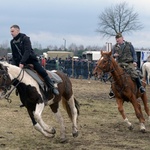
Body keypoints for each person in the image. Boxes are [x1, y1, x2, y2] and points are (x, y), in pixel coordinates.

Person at [10, 25, 59, 98]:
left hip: (30, 60)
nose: (11, 33)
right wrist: (12, 65)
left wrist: (22, 62)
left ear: (18, 31)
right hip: (19, 62)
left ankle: (52, 87)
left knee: (42, 71)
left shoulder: (25, 39)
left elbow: (27, 51)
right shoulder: (12, 42)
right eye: (10, 31)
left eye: (12, 31)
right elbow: (14, 55)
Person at [109, 32, 145, 98]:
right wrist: (114, 55)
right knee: (113, 75)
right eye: (116, 40)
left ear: (122, 38)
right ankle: (112, 90)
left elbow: (134, 53)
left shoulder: (129, 45)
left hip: (128, 62)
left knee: (134, 73)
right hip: (119, 63)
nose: (118, 41)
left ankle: (140, 87)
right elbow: (111, 56)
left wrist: (135, 61)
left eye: (118, 39)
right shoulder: (115, 47)